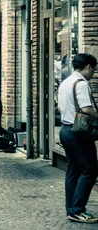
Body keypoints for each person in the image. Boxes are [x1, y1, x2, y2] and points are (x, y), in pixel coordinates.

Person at [57, 53, 98, 223]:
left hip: (65, 130)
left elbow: (60, 108)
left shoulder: (65, 83)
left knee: (73, 170)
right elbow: (86, 109)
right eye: (93, 70)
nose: (93, 74)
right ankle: (77, 209)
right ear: (88, 67)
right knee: (90, 170)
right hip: (78, 133)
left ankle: (72, 209)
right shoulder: (80, 84)